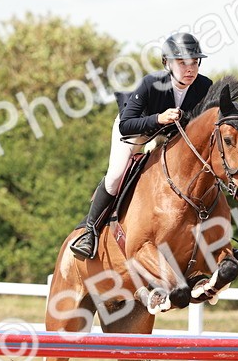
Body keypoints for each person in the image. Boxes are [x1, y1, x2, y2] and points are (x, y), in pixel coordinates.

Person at [68, 32, 214, 260]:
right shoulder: (151, 83)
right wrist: (158, 119)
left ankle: (214, 238)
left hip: (170, 136)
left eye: (194, 62)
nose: (190, 69)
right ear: (167, 63)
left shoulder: (204, 86)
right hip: (137, 131)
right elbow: (127, 124)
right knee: (116, 175)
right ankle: (90, 232)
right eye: (182, 63)